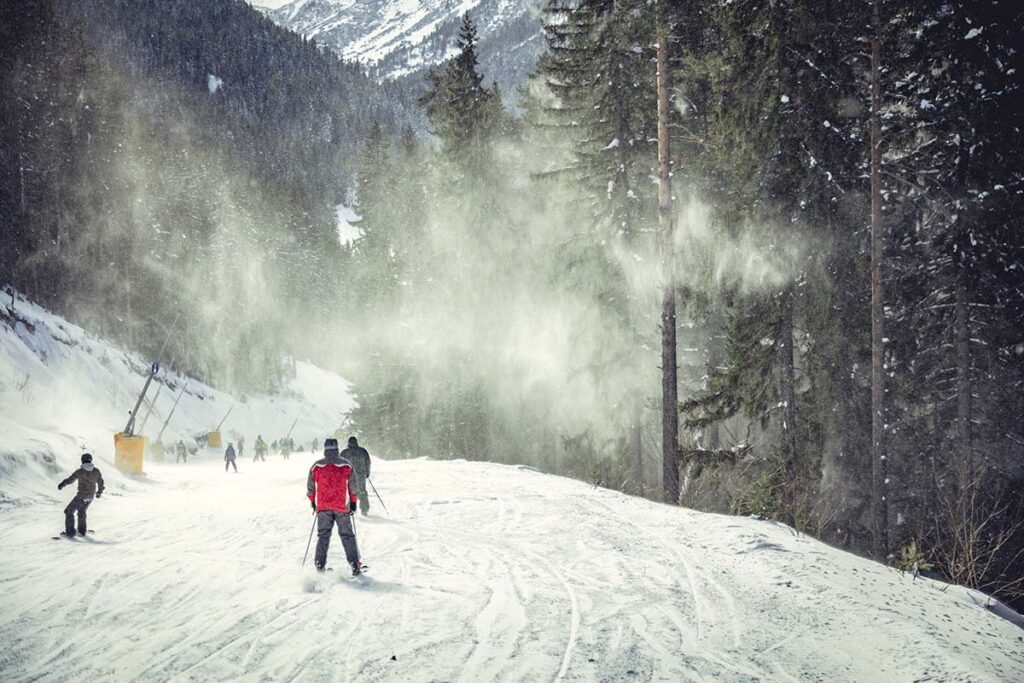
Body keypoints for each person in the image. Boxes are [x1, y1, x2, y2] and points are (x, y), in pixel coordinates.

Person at [307, 438, 363, 575]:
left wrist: (313, 502)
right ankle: (355, 565)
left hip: (323, 506)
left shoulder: (317, 466)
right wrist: (354, 502)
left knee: (323, 536)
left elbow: (310, 487)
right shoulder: (346, 465)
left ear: (325, 449)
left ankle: (320, 565)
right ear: (337, 449)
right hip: (341, 507)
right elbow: (353, 486)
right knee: (347, 535)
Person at [58, 453, 105, 537]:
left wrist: (61, 485)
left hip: (81, 496)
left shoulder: (79, 472)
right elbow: (100, 482)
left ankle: (70, 533)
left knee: (68, 511)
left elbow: (70, 480)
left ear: (82, 460)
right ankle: (81, 531)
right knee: (81, 512)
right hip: (90, 497)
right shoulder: (96, 471)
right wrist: (99, 492)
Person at [341, 436, 372, 516]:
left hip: (349, 475)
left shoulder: (344, 453)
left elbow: (340, 465)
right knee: (362, 491)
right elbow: (368, 462)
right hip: (361, 475)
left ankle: (349, 509)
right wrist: (367, 473)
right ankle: (364, 510)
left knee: (349, 491)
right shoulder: (363, 451)